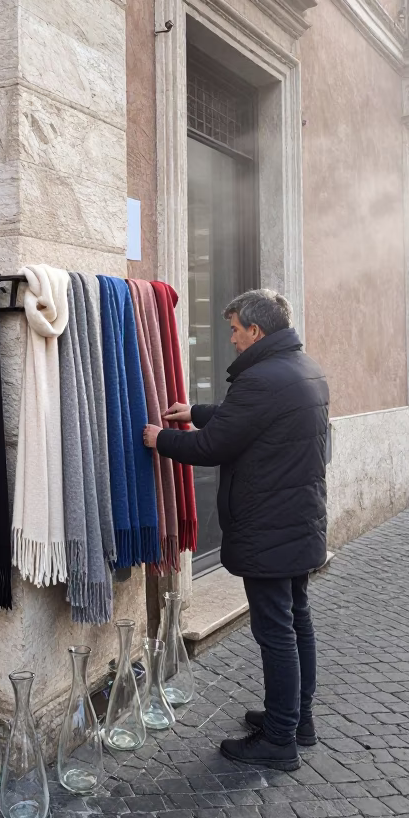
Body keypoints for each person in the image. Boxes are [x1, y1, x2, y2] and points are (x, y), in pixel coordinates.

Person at [143, 289, 328, 771]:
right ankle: (297, 720)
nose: (231, 339)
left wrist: (159, 438)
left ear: (256, 331)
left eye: (234, 330)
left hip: (269, 527)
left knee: (276, 632)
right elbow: (249, 422)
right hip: (299, 520)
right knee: (296, 620)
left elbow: (213, 446)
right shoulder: (302, 369)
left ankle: (280, 740)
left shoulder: (261, 380)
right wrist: (196, 412)